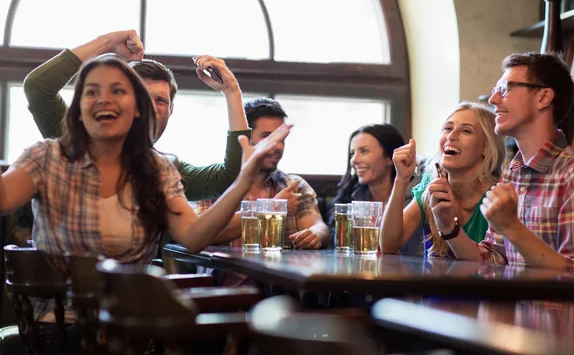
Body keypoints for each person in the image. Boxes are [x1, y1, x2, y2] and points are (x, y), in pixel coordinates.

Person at [0, 55, 290, 352]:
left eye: (118, 91)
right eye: (92, 92)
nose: (105, 100)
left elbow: (194, 237)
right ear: (78, 107)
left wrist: (244, 179)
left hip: (134, 330)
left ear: (137, 110)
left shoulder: (159, 168)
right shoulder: (47, 156)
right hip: (61, 332)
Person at [23, 30, 249, 201]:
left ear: (171, 111)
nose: (150, 107)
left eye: (161, 100)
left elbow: (231, 176)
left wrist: (232, 91)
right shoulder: (77, 142)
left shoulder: (166, 169)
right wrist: (109, 44)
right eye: (141, 96)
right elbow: (38, 88)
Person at [433, 52, 574, 272]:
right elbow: (492, 257)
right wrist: (448, 226)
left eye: (505, 89)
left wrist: (512, 226)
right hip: (514, 308)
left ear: (543, 98)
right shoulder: (513, 172)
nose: (493, 100)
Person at [196, 98, 329, 250]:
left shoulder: (293, 184)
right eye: (267, 137)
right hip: (224, 273)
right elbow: (200, 234)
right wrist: (272, 208)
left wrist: (315, 235)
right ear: (244, 139)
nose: (278, 146)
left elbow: (318, 226)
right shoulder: (214, 180)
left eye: (281, 139)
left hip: (279, 273)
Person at [380, 102, 505, 258]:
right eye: (448, 128)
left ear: (486, 147)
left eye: (466, 131)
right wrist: (401, 179)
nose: (451, 136)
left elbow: (488, 265)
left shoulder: (499, 196)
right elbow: (388, 245)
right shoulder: (430, 186)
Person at [330, 124, 422, 254]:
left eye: (364, 151)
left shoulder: (418, 194)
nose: (354, 160)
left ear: (390, 158)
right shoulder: (352, 197)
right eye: (352, 153)